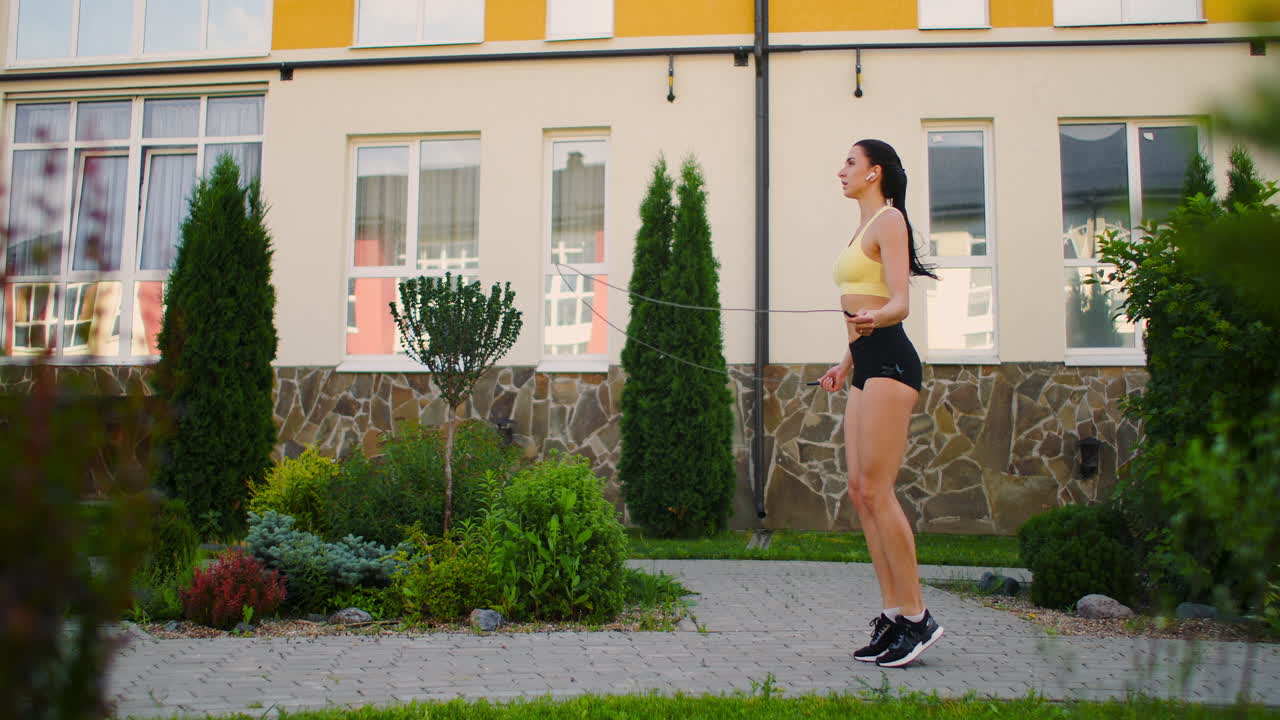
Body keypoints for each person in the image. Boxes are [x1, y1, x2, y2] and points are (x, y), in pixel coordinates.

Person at [818, 138, 942, 669]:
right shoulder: (862, 228)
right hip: (866, 361)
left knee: (879, 491)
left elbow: (898, 302)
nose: (841, 170)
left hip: (891, 361)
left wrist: (872, 324)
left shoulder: (891, 221)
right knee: (860, 492)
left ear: (875, 172)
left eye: (851, 162)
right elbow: (860, 307)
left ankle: (918, 618)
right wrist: (844, 362)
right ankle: (893, 614)